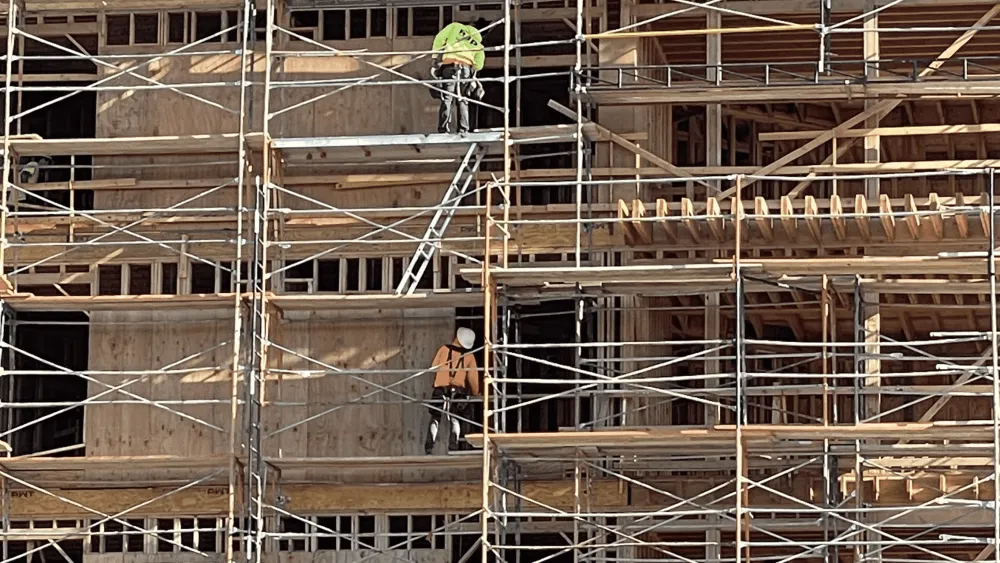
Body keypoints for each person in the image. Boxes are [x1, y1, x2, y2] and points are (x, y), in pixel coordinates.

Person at [424, 327, 480, 454]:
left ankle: (429, 448)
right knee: (455, 419)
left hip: (440, 388)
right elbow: (473, 378)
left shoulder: (443, 350)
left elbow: (433, 367)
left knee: (435, 418)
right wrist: (476, 393)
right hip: (458, 390)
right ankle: (453, 449)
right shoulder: (469, 356)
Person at [431, 20, 486, 135]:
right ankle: (463, 130)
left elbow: (439, 39)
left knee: (447, 99)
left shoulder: (455, 27)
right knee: (462, 99)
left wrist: (435, 56)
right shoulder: (478, 43)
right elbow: (479, 65)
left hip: (449, 66)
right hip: (465, 69)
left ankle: (443, 130)